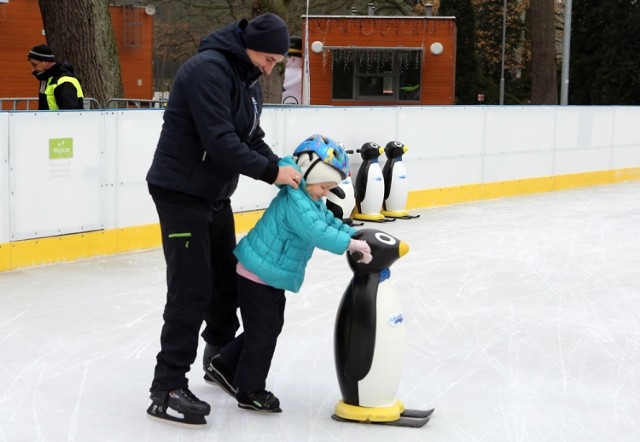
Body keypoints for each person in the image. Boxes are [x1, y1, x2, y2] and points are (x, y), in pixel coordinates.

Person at [145, 13, 301, 426]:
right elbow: (220, 142)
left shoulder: (247, 78)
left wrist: (279, 164)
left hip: (213, 196)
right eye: (269, 59)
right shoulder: (206, 71)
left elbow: (249, 136)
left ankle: (218, 357)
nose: (271, 68)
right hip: (181, 194)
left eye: (276, 62)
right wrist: (270, 173)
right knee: (191, 289)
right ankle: (166, 387)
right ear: (250, 46)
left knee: (226, 281)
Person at [203, 134, 373, 413]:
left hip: (267, 273)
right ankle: (250, 390)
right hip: (258, 273)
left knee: (267, 327)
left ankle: (224, 364)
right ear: (310, 174)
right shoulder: (297, 202)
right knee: (264, 332)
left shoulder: (308, 197)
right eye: (324, 186)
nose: (324, 193)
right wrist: (350, 244)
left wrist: (351, 232)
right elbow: (317, 232)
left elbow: (327, 220)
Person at [27, 44, 84, 110]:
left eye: (34, 65)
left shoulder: (64, 81)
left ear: (45, 61)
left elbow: (69, 114)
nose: (33, 69)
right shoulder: (47, 79)